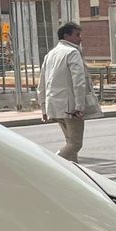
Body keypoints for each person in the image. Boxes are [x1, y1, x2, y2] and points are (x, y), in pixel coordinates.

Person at [41, 21, 100, 162]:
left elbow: (42, 83)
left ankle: (74, 176)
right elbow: (79, 82)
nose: (80, 38)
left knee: (70, 143)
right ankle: (52, 164)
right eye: (77, 35)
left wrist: (43, 107)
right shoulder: (72, 53)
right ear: (66, 36)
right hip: (70, 107)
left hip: (54, 106)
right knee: (75, 144)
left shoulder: (50, 54)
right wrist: (79, 107)